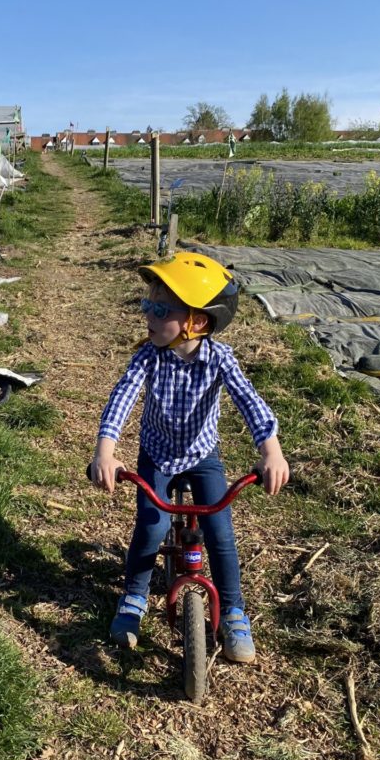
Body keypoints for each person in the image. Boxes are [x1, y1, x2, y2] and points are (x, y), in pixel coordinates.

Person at [89, 252, 289, 663]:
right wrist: (105, 452)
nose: (147, 313)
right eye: (147, 303)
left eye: (160, 309)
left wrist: (271, 451)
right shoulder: (149, 356)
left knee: (220, 531)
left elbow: (249, 400)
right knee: (150, 524)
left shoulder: (219, 358)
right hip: (158, 455)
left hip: (202, 456)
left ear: (197, 321)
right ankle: (134, 598)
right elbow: (122, 398)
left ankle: (233, 611)